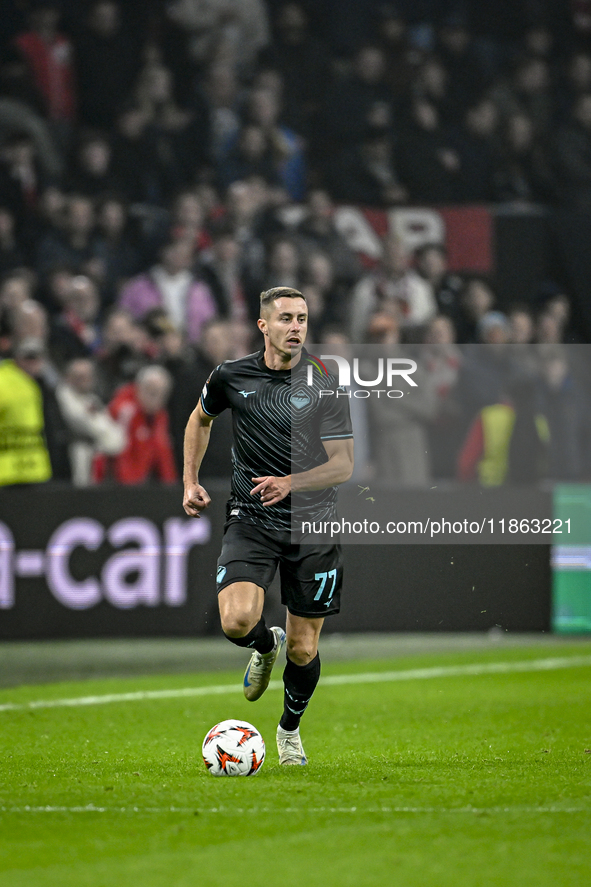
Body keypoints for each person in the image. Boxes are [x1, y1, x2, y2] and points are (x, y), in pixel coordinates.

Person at [182, 286, 353, 765]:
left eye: (302, 318)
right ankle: (262, 644)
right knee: (237, 621)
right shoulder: (231, 376)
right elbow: (200, 419)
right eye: (285, 319)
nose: (295, 327)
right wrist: (189, 480)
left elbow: (343, 465)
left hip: (313, 525)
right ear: (263, 326)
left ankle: (288, 731)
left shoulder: (324, 381)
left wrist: (292, 482)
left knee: (304, 649)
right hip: (251, 517)